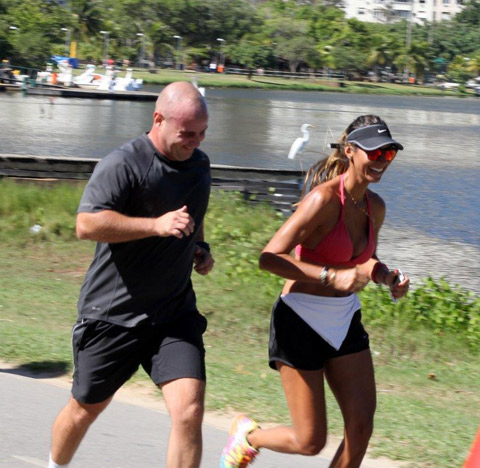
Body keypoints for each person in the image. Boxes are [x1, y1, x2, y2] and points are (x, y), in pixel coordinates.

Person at [220, 115, 410, 468]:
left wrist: (386, 277)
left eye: (389, 155)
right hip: (300, 318)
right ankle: (248, 436)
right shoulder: (322, 200)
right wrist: (329, 276)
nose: (382, 162)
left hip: (344, 320)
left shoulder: (375, 207)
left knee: (361, 426)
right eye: (375, 153)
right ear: (351, 151)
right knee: (310, 441)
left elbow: (368, 259)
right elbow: (269, 257)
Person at [48, 82, 214, 468]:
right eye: (188, 133)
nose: (196, 141)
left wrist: (200, 249)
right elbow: (87, 223)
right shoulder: (124, 163)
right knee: (85, 408)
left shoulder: (200, 164)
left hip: (173, 314)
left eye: (203, 133)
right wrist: (156, 227)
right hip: (113, 316)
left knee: (188, 412)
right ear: (158, 119)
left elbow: (194, 216)